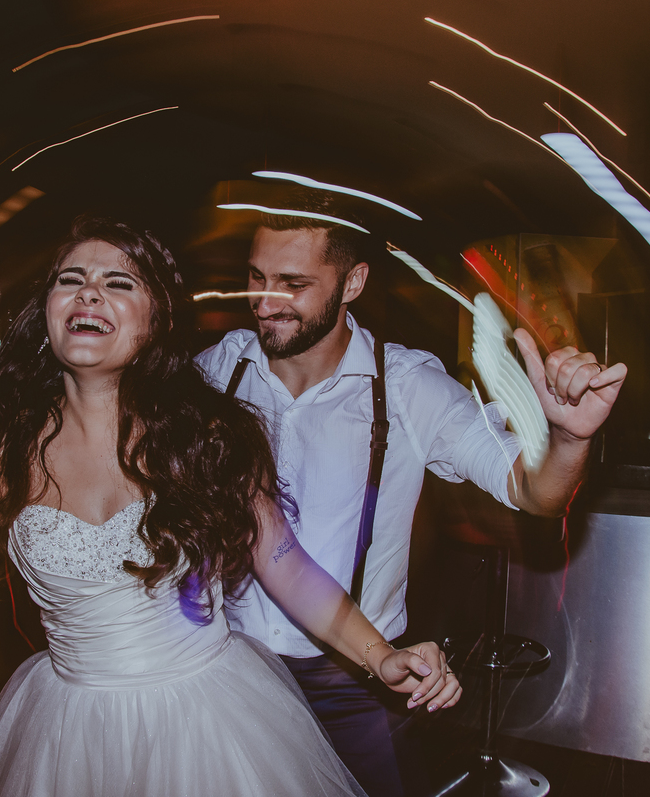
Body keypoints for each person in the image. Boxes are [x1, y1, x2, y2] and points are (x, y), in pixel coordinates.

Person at [0, 216, 461, 797]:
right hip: (66, 737)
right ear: (48, 309)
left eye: (118, 283)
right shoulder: (4, 451)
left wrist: (381, 657)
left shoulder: (212, 437)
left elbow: (286, 566)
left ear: (156, 320)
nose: (90, 292)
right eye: (72, 279)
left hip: (209, 727)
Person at [190, 192, 627, 797]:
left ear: (353, 283)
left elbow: (531, 491)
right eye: (257, 278)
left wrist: (567, 439)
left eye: (293, 283)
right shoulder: (218, 371)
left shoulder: (410, 388)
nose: (265, 302)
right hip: (228, 668)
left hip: (358, 680)